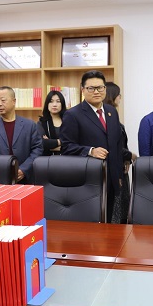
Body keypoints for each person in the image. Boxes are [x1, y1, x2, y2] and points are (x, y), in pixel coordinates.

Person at [60, 70, 125, 223]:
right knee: (90, 223)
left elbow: (117, 145)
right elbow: (66, 146)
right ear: (82, 90)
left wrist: (118, 175)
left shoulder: (111, 111)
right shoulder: (73, 114)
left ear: (105, 89)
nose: (96, 92)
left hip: (110, 178)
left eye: (100, 87)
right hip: (87, 180)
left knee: (107, 220)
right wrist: (90, 151)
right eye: (91, 88)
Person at [0, 86, 43, 183]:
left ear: (14, 101)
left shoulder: (30, 125)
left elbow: (37, 149)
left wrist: (24, 169)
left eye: (3, 100)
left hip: (25, 179)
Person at [104, 82, 137, 223]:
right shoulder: (107, 118)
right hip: (114, 170)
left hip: (121, 167)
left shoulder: (113, 115)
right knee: (116, 214)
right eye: (119, 95)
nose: (120, 98)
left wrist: (127, 158)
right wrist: (130, 155)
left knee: (122, 212)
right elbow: (112, 146)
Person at [36, 90, 67, 156]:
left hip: (68, 159)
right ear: (47, 104)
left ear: (62, 104)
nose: (54, 105)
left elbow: (74, 143)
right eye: (51, 101)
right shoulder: (42, 123)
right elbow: (41, 143)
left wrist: (51, 144)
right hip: (47, 159)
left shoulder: (69, 121)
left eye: (58, 101)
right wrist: (61, 142)